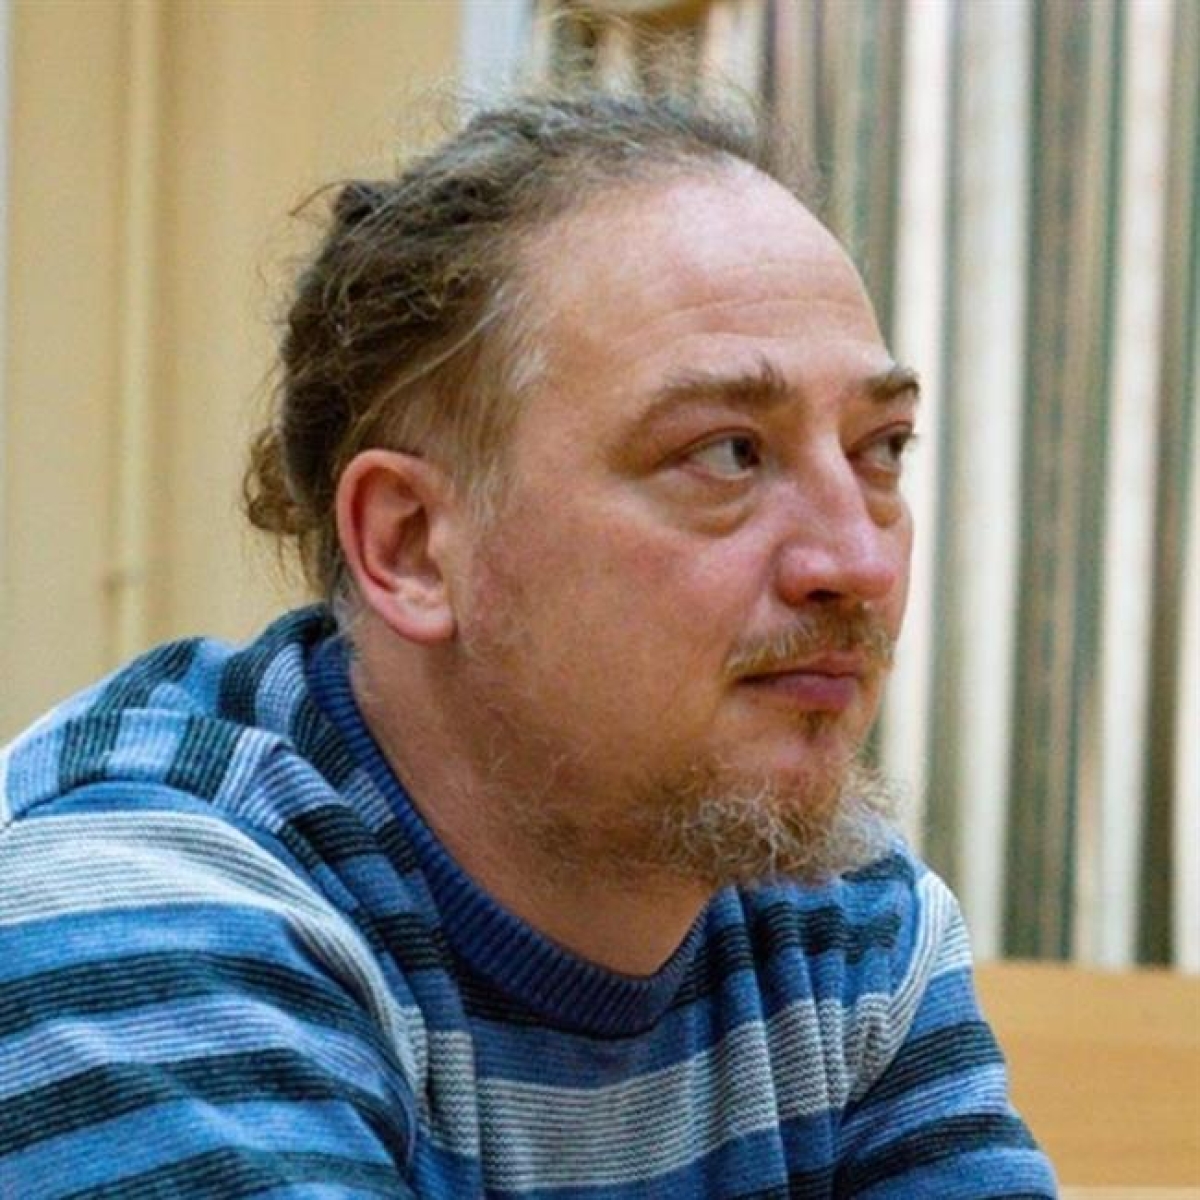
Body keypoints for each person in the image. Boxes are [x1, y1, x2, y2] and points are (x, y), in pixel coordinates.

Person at [0, 91, 1056, 1197]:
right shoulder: (129, 915)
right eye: (728, 454)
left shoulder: (848, 925)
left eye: (880, 448)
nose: (861, 562)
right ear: (413, 546)